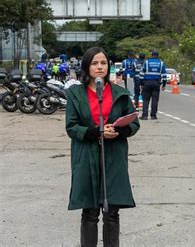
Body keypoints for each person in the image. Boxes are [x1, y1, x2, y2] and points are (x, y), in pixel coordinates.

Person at [65, 46, 140, 247]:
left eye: (103, 63)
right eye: (95, 63)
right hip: (86, 156)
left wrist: (119, 131)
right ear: (86, 67)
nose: (100, 67)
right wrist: (96, 132)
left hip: (113, 156)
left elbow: (134, 123)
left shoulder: (121, 93)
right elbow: (71, 127)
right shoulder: (75, 93)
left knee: (111, 211)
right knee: (89, 211)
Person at [140, 50, 166, 120]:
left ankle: (145, 116)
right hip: (156, 83)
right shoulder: (161, 63)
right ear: (157, 55)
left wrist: (141, 83)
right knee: (155, 100)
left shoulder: (146, 62)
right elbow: (164, 75)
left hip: (147, 83)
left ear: (151, 55)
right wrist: (164, 85)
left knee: (145, 100)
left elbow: (142, 74)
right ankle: (153, 115)